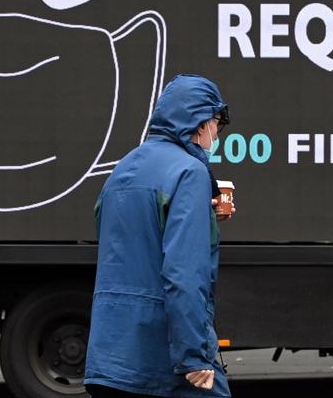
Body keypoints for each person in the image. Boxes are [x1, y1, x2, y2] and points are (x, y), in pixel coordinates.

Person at [84, 74, 234, 398]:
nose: (215, 135)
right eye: (216, 125)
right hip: (164, 357)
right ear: (200, 122)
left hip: (112, 356)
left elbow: (130, 247)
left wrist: (200, 214)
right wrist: (194, 356)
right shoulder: (189, 173)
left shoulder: (123, 168)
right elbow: (184, 272)